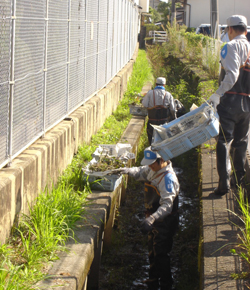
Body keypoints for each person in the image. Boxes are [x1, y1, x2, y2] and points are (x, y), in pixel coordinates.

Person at [118, 147, 179, 290]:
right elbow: (141, 171)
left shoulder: (168, 179)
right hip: (153, 218)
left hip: (165, 222)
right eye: (149, 163)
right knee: (152, 250)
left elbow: (167, 206)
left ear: (162, 160)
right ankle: (153, 281)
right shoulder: (153, 170)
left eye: (153, 163)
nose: (150, 166)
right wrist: (127, 170)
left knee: (161, 254)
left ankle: (165, 284)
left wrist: (152, 219)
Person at [209, 15, 250, 196]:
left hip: (230, 101)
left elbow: (231, 76)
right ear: (246, 30)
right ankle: (238, 182)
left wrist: (217, 95)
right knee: (241, 142)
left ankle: (223, 183)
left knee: (223, 141)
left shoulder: (230, 47)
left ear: (230, 29)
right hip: (246, 102)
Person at [142, 77, 177, 145]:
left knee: (151, 139)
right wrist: (174, 118)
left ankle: (151, 150)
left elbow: (144, 104)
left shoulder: (150, 93)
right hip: (164, 123)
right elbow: (173, 109)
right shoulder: (168, 94)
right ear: (164, 85)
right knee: (164, 141)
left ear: (155, 84)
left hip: (152, 122)